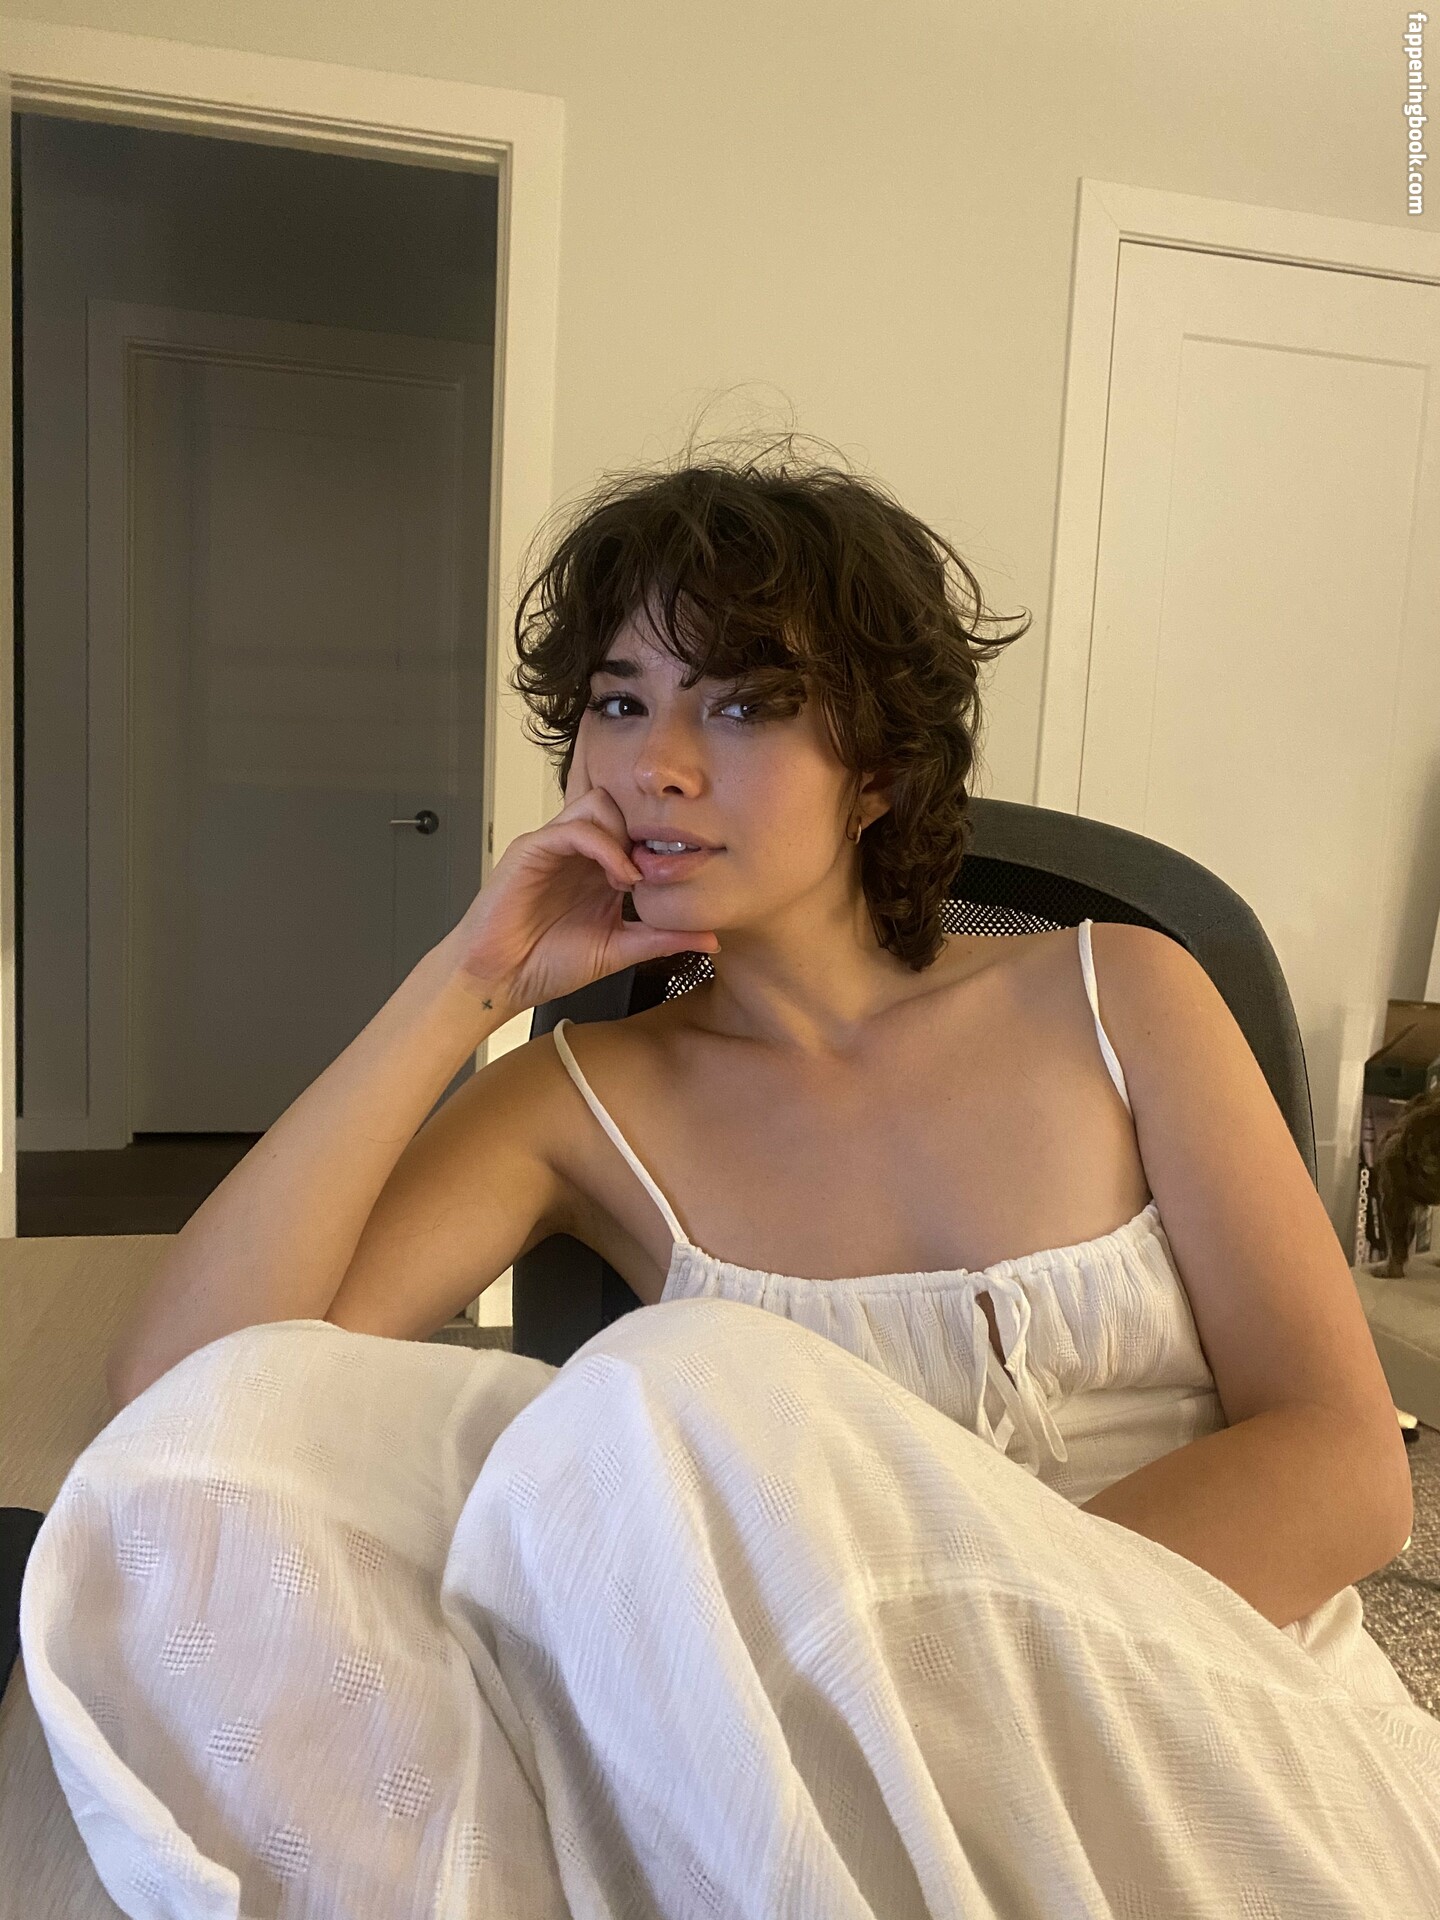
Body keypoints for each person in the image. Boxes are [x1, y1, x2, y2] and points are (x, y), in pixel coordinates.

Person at [21, 432, 1440, 1919]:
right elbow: (192, 1398)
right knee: (490, 1457)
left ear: (878, 769)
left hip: (1204, 1717)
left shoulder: (1118, 995)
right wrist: (466, 983)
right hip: (800, 1788)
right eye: (619, 701)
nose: (657, 765)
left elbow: (1346, 1465)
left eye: (745, 704)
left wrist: (952, 1674)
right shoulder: (579, 1100)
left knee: (669, 1384)